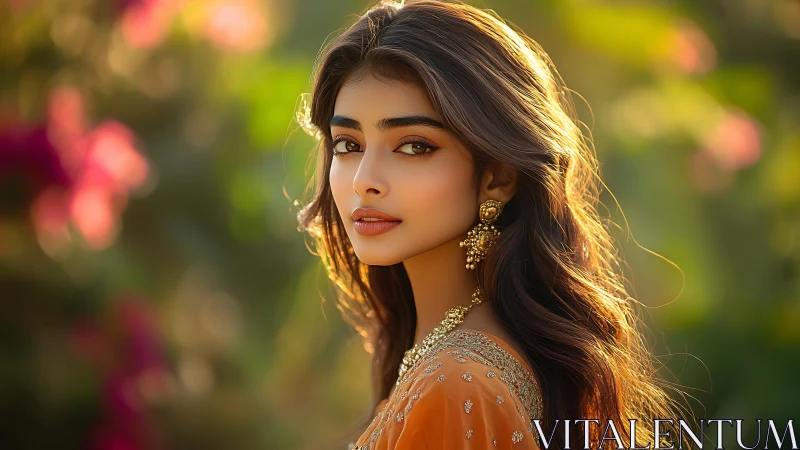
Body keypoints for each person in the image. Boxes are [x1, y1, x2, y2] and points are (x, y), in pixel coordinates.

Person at [295, 1, 691, 448]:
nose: (364, 180)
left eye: (413, 147)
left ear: (497, 177)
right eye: (348, 144)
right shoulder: (454, 360)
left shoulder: (454, 383)